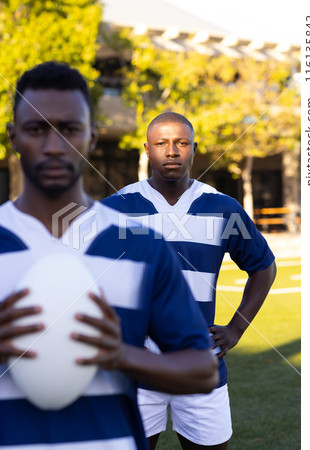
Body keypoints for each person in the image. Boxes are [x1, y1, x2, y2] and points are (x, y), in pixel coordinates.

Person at [0, 64, 219, 449]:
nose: (54, 145)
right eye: (37, 129)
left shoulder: (141, 245)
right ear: (14, 136)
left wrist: (121, 356)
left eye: (69, 129)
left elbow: (202, 371)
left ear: (93, 137)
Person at [103, 112, 277, 450]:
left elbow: (264, 267)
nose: (172, 151)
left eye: (181, 143)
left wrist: (236, 329)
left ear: (194, 149)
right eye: (161, 143)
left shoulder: (222, 208)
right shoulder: (115, 208)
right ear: (147, 150)